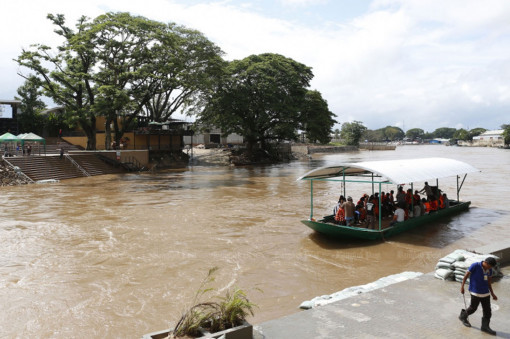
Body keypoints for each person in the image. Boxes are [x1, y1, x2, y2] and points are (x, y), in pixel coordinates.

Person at [459, 257, 498, 335]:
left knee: (488, 311)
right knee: (473, 308)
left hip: (485, 292)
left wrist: (492, 293)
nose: (490, 268)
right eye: (489, 266)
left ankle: (485, 327)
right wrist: (462, 287)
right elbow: (466, 275)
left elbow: (489, 282)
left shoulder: (489, 270)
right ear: (486, 263)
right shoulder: (475, 266)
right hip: (475, 291)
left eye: (491, 267)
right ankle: (463, 316)